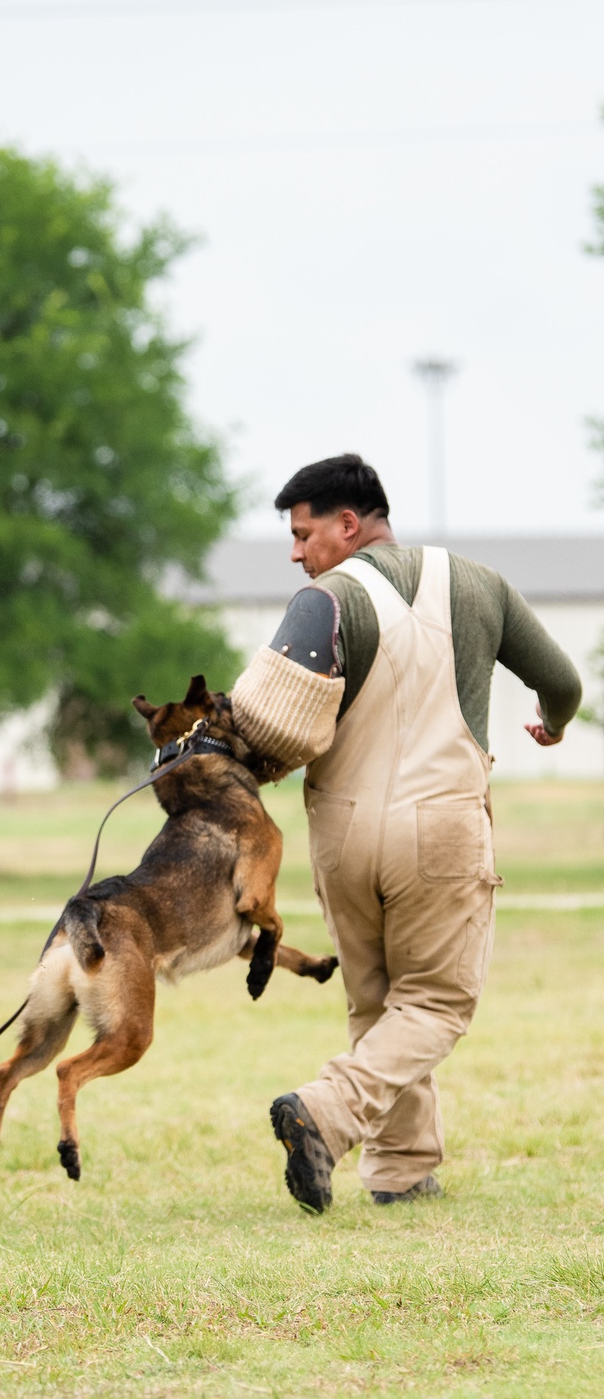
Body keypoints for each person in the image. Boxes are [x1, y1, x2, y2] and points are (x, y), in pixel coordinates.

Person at [231, 453, 582, 1212]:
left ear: (348, 524)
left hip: (342, 830)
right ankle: (326, 1110)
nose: (297, 553)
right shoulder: (479, 583)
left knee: (378, 1001)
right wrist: (552, 726)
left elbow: (265, 722)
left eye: (303, 533)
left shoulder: (322, 601)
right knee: (436, 1004)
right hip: (443, 827)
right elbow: (563, 682)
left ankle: (401, 1168)